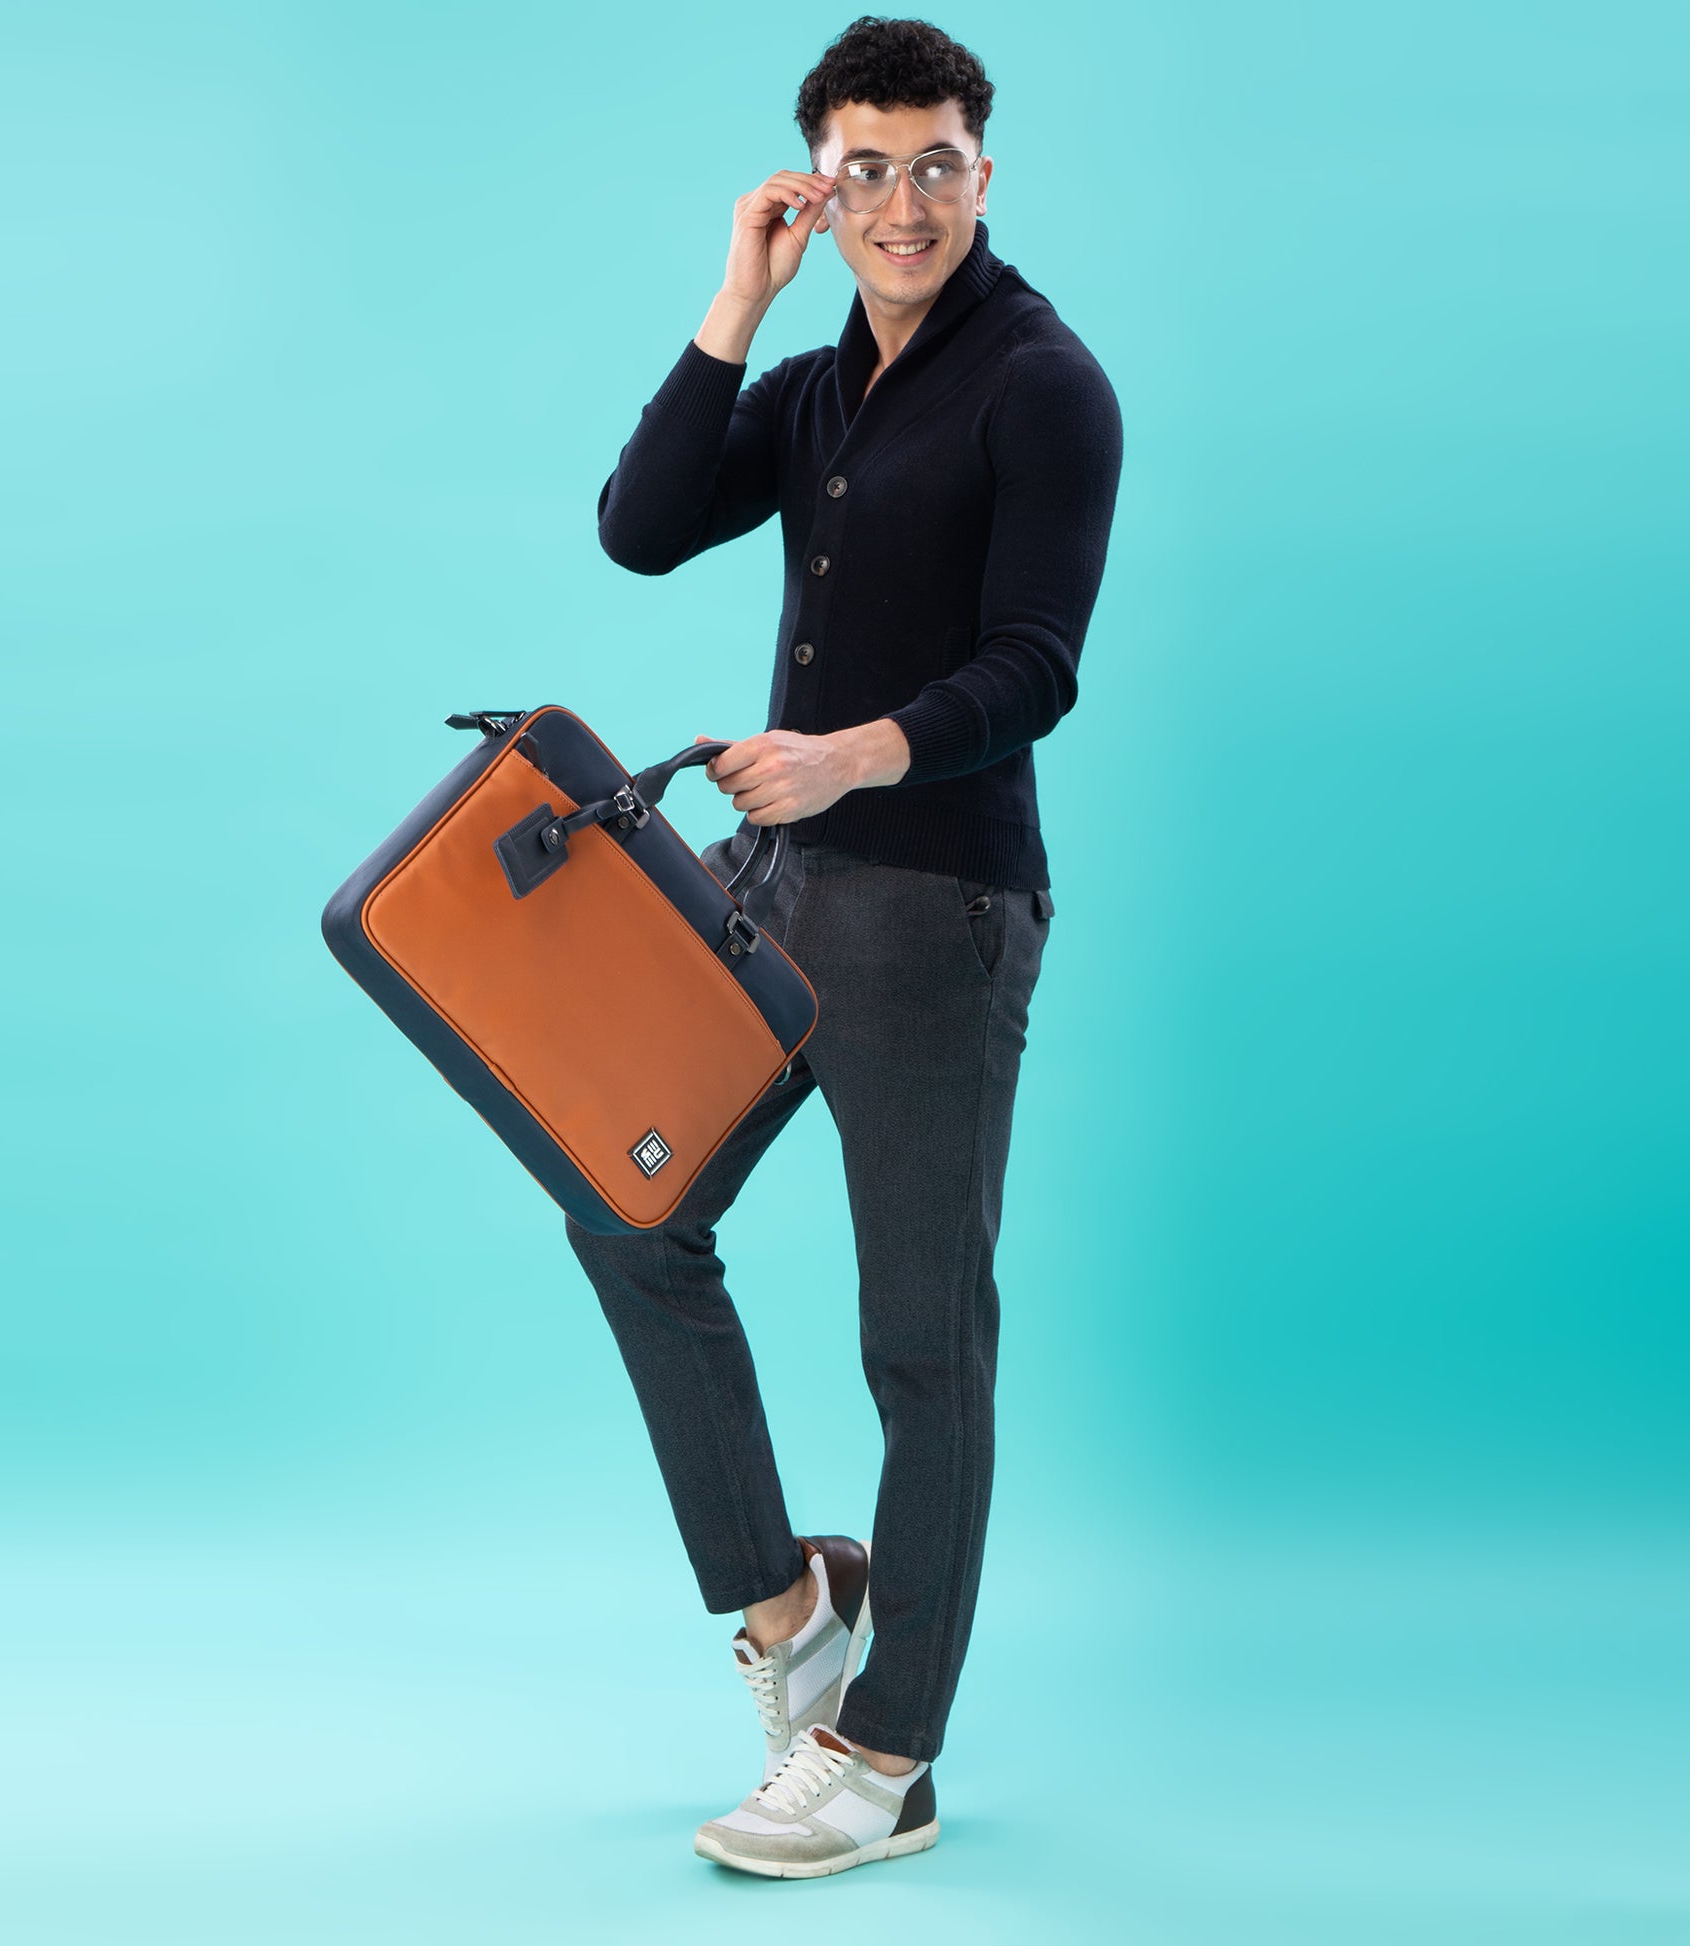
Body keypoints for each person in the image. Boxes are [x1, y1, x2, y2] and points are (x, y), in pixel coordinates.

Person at [565, 15, 1123, 1879]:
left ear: (986, 171)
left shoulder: (1043, 385)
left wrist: (851, 753)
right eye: (862, 168)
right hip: (782, 886)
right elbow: (639, 530)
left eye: (934, 164)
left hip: (936, 903)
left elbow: (1035, 664)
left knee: (919, 1342)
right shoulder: (815, 387)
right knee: (629, 1206)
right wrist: (735, 297)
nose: (899, 203)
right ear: (821, 172)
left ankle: (886, 1757)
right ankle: (793, 1604)